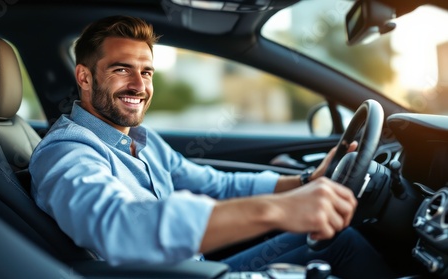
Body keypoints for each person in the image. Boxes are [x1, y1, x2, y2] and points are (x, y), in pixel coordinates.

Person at [29, 15, 395, 278]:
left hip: (197, 267)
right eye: (122, 70)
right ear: (84, 77)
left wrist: (305, 182)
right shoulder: (67, 152)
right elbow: (121, 228)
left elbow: (216, 185)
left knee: (342, 240)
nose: (139, 86)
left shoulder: (140, 139)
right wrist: (275, 210)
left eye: (147, 72)